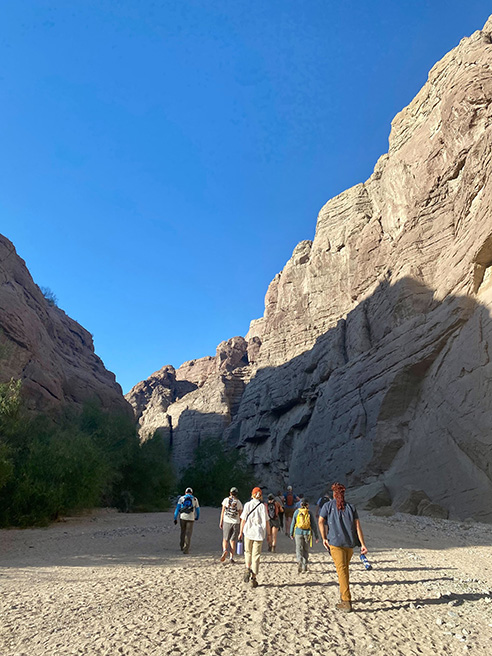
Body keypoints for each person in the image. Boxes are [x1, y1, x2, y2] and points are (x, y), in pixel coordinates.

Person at [318, 483, 368, 612]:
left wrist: (324, 537)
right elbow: (357, 526)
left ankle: (346, 601)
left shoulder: (327, 506)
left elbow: (320, 521)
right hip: (349, 544)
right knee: (344, 570)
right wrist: (362, 544)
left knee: (342, 571)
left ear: (334, 494)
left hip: (335, 543)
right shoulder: (351, 507)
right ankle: (344, 595)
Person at [239, 487, 271, 588]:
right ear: (260, 495)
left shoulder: (247, 505)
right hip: (259, 533)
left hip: (248, 532)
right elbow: (266, 521)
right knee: (256, 555)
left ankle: (247, 567)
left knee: (247, 552)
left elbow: (243, 520)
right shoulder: (262, 506)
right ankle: (254, 578)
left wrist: (240, 532)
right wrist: (269, 535)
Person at [290, 499, 319, 573]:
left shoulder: (297, 512)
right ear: (307, 505)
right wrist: (316, 536)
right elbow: (314, 525)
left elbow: (293, 523)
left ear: (301, 504)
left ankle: (299, 560)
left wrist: (291, 533)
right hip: (307, 533)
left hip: (298, 532)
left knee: (299, 548)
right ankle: (304, 565)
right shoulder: (309, 512)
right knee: (305, 549)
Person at [219, 486, 243, 564]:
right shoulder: (238, 502)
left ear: (230, 493)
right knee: (233, 541)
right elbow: (241, 515)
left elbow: (222, 511)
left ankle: (225, 550)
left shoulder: (226, 500)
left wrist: (221, 521)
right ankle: (231, 557)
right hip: (236, 523)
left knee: (225, 539)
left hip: (227, 521)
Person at [174, 487, 200, 554]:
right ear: (191, 492)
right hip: (191, 518)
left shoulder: (181, 498)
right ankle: (186, 549)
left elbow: (177, 509)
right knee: (188, 534)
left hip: (182, 517)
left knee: (183, 531)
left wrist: (175, 517)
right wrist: (197, 516)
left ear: (185, 492)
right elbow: (198, 509)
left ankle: (181, 546)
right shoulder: (194, 499)